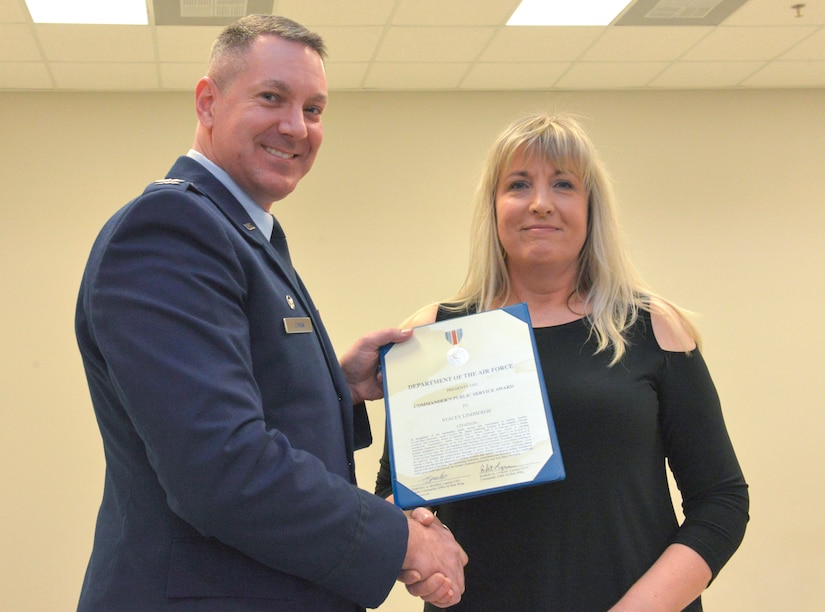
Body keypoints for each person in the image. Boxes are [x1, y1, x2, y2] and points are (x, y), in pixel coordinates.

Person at [75, 14, 466, 611]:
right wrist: (402, 542)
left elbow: (234, 407)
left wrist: (340, 388)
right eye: (271, 98)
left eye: (314, 109)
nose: (296, 127)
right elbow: (221, 466)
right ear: (208, 101)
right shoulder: (172, 229)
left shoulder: (240, 231)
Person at [376, 112, 749, 611]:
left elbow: (722, 501)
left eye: (564, 185)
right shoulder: (436, 333)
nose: (540, 204)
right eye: (518, 184)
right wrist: (418, 549)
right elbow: (398, 500)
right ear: (493, 206)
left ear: (592, 207)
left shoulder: (653, 328)